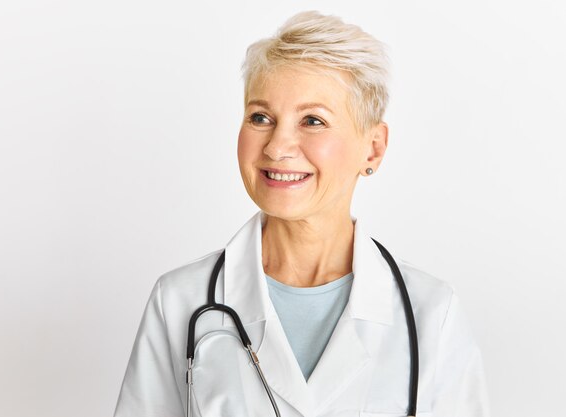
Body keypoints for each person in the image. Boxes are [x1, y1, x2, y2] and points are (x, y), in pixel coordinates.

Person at [113, 10, 490, 417]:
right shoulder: (180, 301)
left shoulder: (431, 313)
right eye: (261, 117)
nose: (277, 146)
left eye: (313, 120)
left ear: (374, 148)